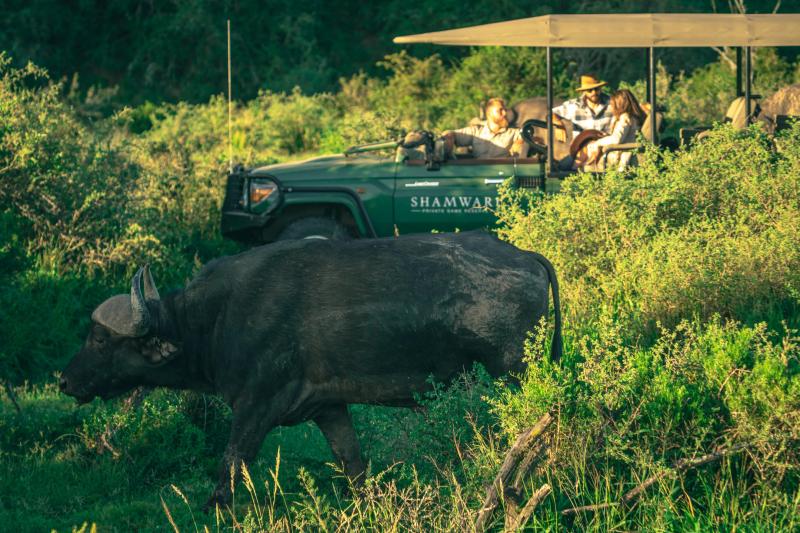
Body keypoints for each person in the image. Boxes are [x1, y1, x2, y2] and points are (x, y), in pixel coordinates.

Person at [442, 98, 528, 158]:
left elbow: (528, 138)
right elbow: (451, 133)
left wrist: (521, 141)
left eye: (505, 110)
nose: (505, 113)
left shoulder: (513, 132)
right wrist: (448, 136)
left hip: (503, 175)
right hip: (478, 174)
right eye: (500, 110)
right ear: (489, 113)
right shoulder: (476, 131)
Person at [584, 89, 646, 171]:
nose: (611, 106)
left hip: (620, 156)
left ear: (619, 104)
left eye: (612, 104)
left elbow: (617, 139)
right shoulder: (635, 117)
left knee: (589, 152)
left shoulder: (625, 117)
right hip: (626, 152)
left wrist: (598, 143)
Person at [551, 74, 614, 139]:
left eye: (596, 89)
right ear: (584, 91)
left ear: (600, 88)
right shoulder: (574, 105)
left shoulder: (612, 103)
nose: (594, 92)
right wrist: (558, 124)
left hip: (606, 143)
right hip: (581, 144)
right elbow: (551, 114)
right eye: (590, 90)